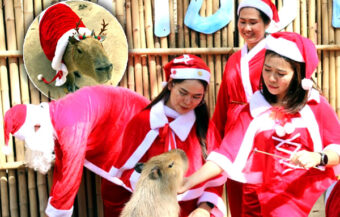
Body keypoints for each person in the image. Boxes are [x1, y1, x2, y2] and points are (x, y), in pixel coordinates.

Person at [179, 32, 340, 216]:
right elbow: (225, 155)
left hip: (303, 196)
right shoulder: (254, 108)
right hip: (258, 197)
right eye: (267, 69)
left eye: (280, 74)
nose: (271, 78)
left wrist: (318, 157)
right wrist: (190, 181)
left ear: (298, 75)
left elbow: (337, 148)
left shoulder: (315, 106)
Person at [101, 54, 227, 217]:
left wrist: (204, 208)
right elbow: (120, 178)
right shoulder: (143, 122)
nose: (188, 101)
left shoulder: (204, 127)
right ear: (170, 85)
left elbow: (215, 177)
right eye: (183, 92)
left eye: (197, 97)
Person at [2, 85, 150, 217]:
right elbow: (61, 168)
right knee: (112, 193)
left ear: (36, 126)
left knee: (151, 193)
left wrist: (54, 213)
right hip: (119, 130)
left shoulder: (68, 124)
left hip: (136, 122)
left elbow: (70, 174)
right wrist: (53, 203)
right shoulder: (55, 117)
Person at [212, 0, 279, 215]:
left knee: (265, 198)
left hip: (264, 134)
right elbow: (223, 101)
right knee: (237, 193)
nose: (247, 28)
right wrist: (215, 139)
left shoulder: (277, 56)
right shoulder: (234, 60)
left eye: (253, 22)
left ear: (267, 23)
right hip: (234, 132)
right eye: (242, 22)